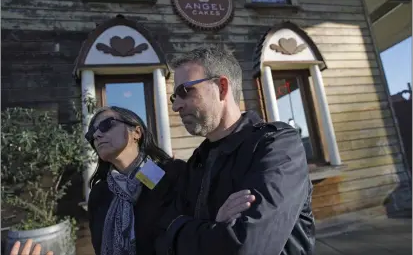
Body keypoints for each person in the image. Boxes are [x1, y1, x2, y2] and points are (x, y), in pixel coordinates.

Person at [9, 105, 252, 255]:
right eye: (92, 134)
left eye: (106, 125)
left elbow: (193, 225)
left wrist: (216, 221)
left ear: (137, 132)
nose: (97, 134)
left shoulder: (173, 174)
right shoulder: (100, 194)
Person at [155, 46, 316, 255]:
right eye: (173, 98)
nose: (176, 106)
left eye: (184, 91)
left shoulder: (276, 145)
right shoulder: (197, 161)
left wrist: (185, 228)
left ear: (222, 87)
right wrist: (215, 226)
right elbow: (161, 238)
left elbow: (245, 246)